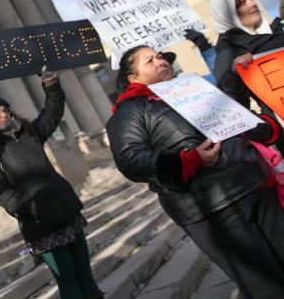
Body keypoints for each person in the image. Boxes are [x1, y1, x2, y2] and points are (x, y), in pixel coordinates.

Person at [106, 45, 284, 299]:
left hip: (258, 186)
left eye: (159, 56)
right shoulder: (130, 111)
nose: (160, 61)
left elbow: (233, 115)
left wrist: (238, 84)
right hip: (215, 210)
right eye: (149, 61)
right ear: (133, 78)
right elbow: (130, 159)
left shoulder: (193, 90)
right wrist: (187, 161)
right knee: (266, 287)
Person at [0, 68, 102, 299]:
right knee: (67, 279)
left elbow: (53, 112)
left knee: (84, 271)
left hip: (65, 209)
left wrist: (51, 85)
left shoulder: (28, 131)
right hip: (41, 222)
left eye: (5, 110)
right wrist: (26, 207)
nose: (3, 115)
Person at [210, 0, 284, 151]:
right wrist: (235, 75)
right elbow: (232, 109)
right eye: (242, 3)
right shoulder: (228, 55)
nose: (252, 3)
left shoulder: (272, 35)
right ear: (227, 14)